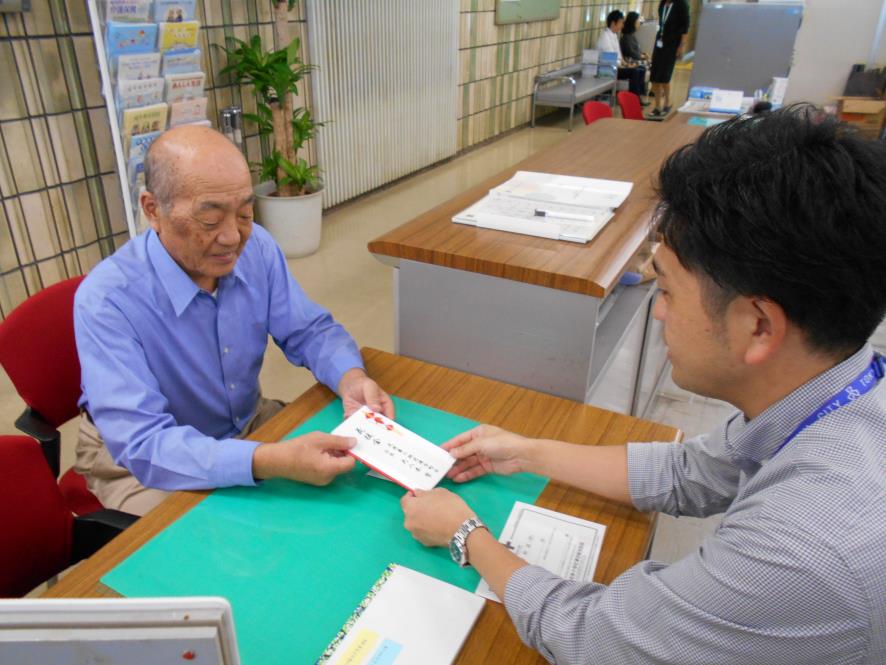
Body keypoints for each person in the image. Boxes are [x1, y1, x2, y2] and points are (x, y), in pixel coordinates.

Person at [401, 107, 886, 664]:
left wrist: (466, 534)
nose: (657, 314)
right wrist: (525, 452)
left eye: (670, 291)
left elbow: (596, 639)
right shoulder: (835, 390)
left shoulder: (804, 550)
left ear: (758, 326)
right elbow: (692, 473)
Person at [74, 125, 394, 516]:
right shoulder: (107, 300)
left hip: (245, 421)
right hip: (139, 463)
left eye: (244, 213)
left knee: (353, 488)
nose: (232, 237)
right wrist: (266, 460)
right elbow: (144, 445)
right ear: (152, 209)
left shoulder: (256, 246)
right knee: (208, 546)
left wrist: (351, 378)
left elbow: (309, 330)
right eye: (210, 222)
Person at [649, 0, 689, 116]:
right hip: (660, 42)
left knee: (664, 76)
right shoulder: (662, 4)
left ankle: (667, 102)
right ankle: (657, 106)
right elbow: (662, 23)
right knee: (655, 75)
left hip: (672, 43)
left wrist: (681, 46)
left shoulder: (681, 4)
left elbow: (685, 27)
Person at [596, 10, 646, 100]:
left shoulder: (614, 35)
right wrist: (626, 65)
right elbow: (611, 59)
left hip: (617, 67)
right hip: (608, 69)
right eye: (621, 23)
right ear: (613, 23)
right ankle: (634, 100)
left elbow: (619, 55)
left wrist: (626, 64)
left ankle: (639, 97)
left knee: (641, 69)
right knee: (634, 72)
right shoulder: (605, 38)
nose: (622, 26)